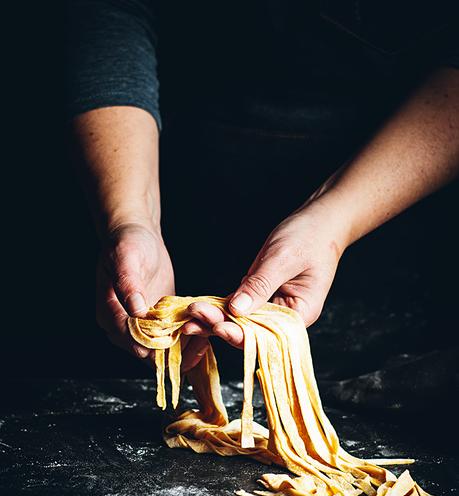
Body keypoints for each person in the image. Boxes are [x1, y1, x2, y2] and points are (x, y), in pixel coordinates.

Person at [67, 1, 459, 373]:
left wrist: (334, 222)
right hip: (164, 181)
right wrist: (131, 216)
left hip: (396, 236)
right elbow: (112, 11)